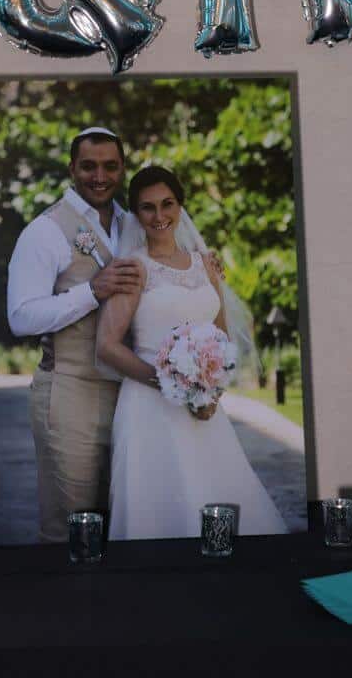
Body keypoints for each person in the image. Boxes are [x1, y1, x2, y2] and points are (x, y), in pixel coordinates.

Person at [96, 165, 287, 540]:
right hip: (149, 408)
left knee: (214, 494)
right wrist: (171, 383)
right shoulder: (134, 268)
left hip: (204, 407)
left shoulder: (205, 264)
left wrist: (210, 393)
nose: (159, 215)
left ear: (181, 206)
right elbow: (106, 345)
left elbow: (221, 337)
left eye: (167, 203)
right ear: (136, 214)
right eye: (148, 207)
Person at [6, 127, 147, 543]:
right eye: (88, 166)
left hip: (131, 398)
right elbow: (21, 317)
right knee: (71, 526)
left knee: (124, 522)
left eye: (110, 166)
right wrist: (91, 291)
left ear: (122, 168)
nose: (99, 177)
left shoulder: (133, 224)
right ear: (72, 169)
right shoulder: (45, 230)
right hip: (70, 392)